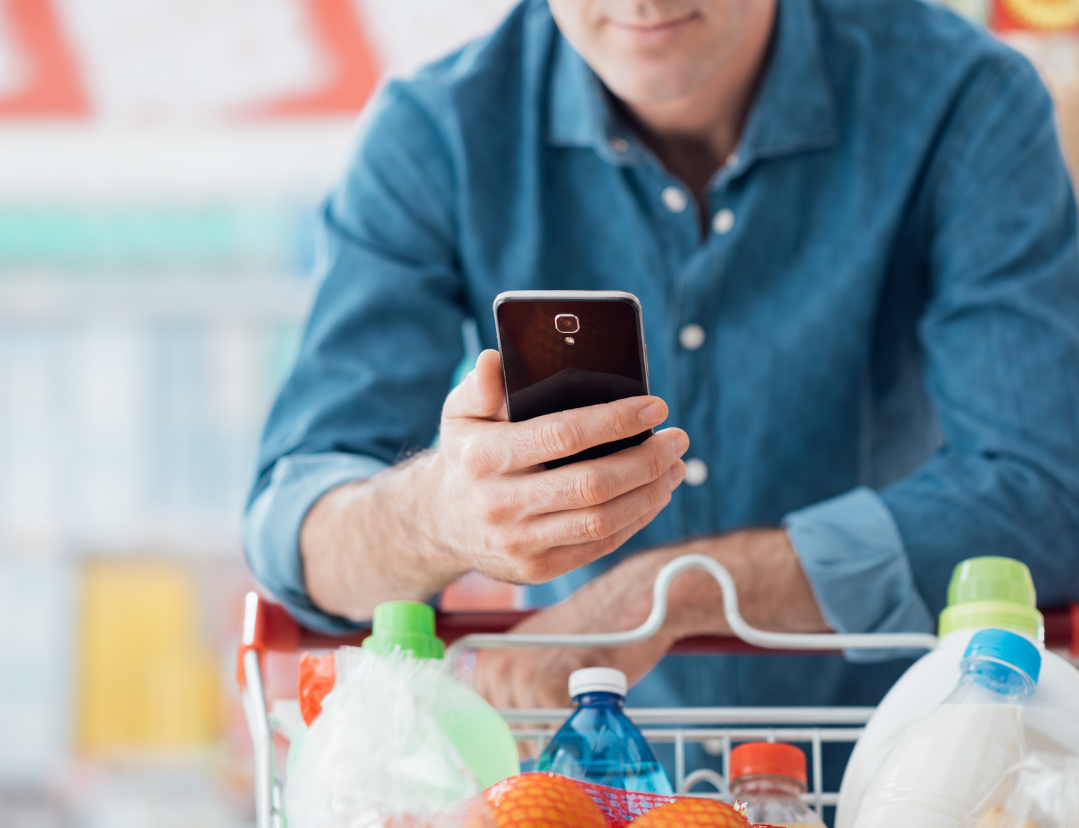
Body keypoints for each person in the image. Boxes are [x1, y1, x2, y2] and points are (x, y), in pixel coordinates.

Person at [244, 0, 1079, 789]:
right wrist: (438, 514)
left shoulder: (963, 99)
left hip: (905, 777)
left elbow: (1045, 491)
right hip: (577, 789)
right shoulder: (437, 133)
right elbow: (296, 528)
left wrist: (674, 593)